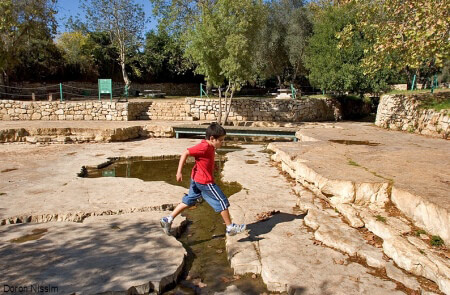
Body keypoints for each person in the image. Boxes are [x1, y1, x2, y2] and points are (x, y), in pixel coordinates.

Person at [160, 122, 246, 236]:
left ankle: (168, 219)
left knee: (189, 200)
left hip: (196, 179)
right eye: (221, 140)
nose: (222, 142)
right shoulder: (204, 146)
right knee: (222, 201)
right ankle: (230, 227)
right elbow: (185, 153)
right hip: (204, 181)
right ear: (212, 138)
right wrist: (179, 171)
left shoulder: (210, 146)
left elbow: (204, 160)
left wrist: (212, 166)